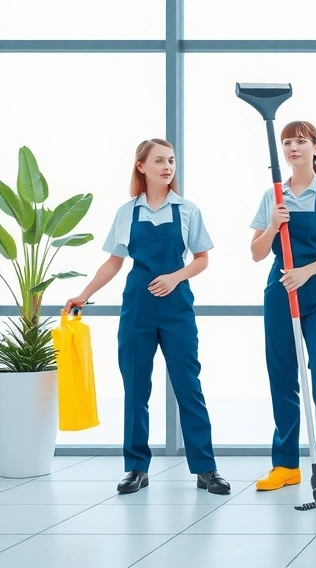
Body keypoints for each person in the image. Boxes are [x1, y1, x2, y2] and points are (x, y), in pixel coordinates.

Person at [66, 139, 229, 495]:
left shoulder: (188, 209)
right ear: (141, 166)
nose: (167, 167)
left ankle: (206, 468)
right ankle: (136, 468)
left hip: (177, 309)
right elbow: (114, 261)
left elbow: (202, 258)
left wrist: (175, 276)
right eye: (159, 161)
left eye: (171, 160)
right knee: (136, 389)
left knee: (189, 387)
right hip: (137, 308)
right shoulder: (128, 212)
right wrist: (84, 294)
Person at [249, 121, 316, 498]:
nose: (293, 147)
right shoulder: (272, 196)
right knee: (282, 378)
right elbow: (256, 253)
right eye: (287, 142)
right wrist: (272, 226)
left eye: (301, 141)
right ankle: (286, 466)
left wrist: (306, 272)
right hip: (280, 295)